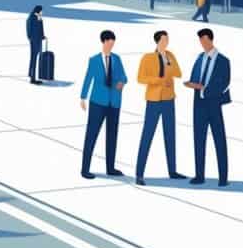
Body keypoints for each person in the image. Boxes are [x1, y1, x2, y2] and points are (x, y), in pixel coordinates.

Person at [135, 30, 186, 185]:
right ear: (157, 41)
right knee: (147, 134)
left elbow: (179, 73)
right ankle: (139, 174)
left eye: (167, 39)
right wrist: (158, 80)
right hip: (154, 100)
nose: (166, 42)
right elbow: (140, 78)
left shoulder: (170, 56)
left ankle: (172, 170)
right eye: (164, 40)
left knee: (170, 134)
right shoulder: (148, 58)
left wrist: (170, 66)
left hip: (169, 99)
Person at [79, 30, 128, 179]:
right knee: (91, 135)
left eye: (113, 44)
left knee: (112, 135)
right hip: (98, 102)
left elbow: (124, 76)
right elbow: (88, 78)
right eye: (109, 43)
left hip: (114, 102)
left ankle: (110, 168)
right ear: (104, 42)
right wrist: (83, 97)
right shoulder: (94, 60)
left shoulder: (117, 59)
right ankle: (85, 169)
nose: (111, 46)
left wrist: (122, 82)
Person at [186, 27, 231, 186]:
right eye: (200, 41)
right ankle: (199, 175)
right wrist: (192, 84)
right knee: (198, 139)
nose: (202, 44)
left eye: (204, 41)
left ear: (211, 40)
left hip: (214, 104)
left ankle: (223, 177)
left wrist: (205, 89)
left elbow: (224, 83)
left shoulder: (223, 61)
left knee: (219, 140)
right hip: (198, 104)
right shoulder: (200, 58)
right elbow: (195, 75)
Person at [26, 5, 45, 85]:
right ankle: (32, 78)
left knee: (35, 57)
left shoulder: (38, 17)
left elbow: (41, 27)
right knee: (34, 58)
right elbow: (28, 28)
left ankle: (32, 75)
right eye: (41, 10)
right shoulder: (31, 17)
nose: (42, 12)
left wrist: (42, 35)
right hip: (34, 40)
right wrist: (30, 37)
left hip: (38, 39)